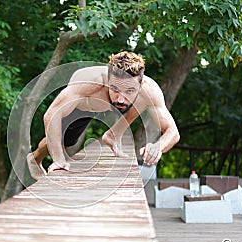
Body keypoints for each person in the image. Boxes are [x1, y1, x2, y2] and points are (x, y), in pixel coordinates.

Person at [27, 51, 180, 178]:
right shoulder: (89, 82)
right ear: (108, 79)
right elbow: (51, 115)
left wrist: (158, 147)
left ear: (140, 84)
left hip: (111, 102)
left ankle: (112, 135)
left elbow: (173, 132)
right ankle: (36, 158)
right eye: (115, 90)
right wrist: (59, 160)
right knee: (65, 141)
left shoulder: (149, 89)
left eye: (129, 91)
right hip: (84, 105)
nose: (121, 98)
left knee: (143, 98)